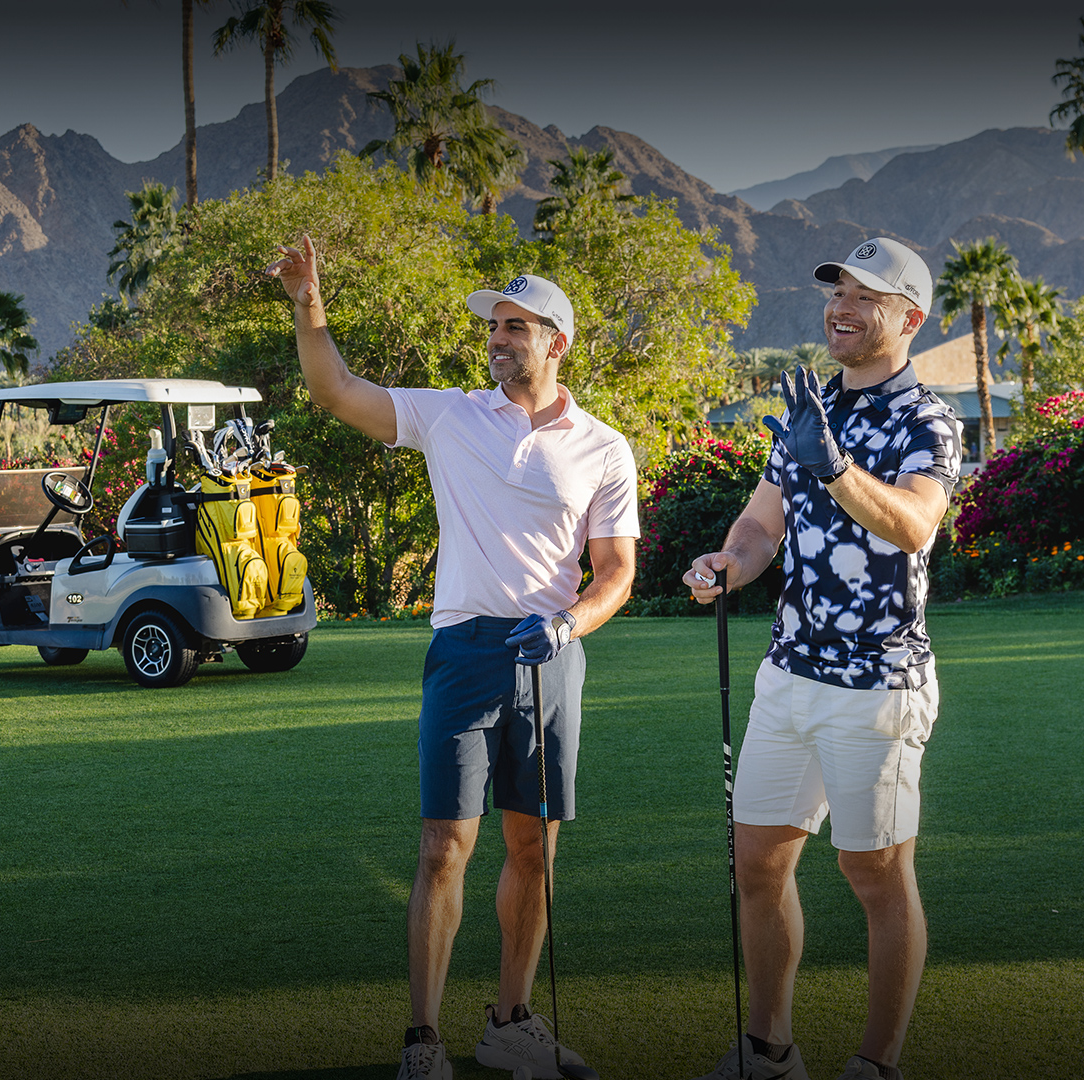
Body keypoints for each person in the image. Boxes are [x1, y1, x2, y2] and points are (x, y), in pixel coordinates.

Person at [267, 237, 638, 1080]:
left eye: (516, 327)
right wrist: (307, 301)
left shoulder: (605, 448)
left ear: (558, 343)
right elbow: (335, 391)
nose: (499, 339)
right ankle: (423, 1040)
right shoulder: (450, 414)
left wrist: (569, 625)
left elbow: (616, 574)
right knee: (444, 846)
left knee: (534, 849)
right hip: (464, 652)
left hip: (550, 654)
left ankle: (510, 1021)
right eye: (494, 327)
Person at [684, 238, 962, 1080]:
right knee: (757, 862)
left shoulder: (930, 418)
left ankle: (878, 1063)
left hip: (876, 683)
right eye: (837, 291)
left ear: (907, 318)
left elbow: (914, 524)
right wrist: (728, 561)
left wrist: (834, 465)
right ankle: (768, 1048)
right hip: (787, 676)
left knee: (873, 871)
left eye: (865, 296)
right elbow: (762, 522)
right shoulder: (810, 406)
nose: (840, 307)